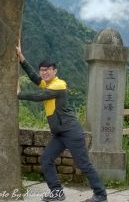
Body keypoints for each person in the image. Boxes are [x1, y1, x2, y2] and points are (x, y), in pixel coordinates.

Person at [16, 43, 107, 202]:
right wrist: (21, 58)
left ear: (55, 71)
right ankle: (57, 192)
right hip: (59, 133)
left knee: (83, 164)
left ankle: (100, 195)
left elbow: (39, 96)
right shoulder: (48, 83)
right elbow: (33, 76)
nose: (44, 72)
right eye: (42, 70)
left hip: (71, 132)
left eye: (48, 69)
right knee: (46, 160)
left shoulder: (59, 85)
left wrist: (19, 94)